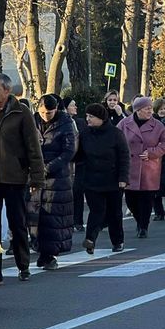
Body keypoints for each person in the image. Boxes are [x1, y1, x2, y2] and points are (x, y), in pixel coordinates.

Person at [0, 73, 46, 286]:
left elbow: (33, 147)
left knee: (17, 222)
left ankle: (23, 265)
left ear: (7, 91)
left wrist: (36, 178)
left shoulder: (21, 112)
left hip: (16, 177)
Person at [27, 95, 76, 270]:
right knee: (34, 215)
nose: (46, 115)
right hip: (33, 175)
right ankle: (39, 248)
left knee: (52, 217)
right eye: (42, 112)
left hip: (57, 176)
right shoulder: (31, 122)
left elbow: (69, 150)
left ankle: (49, 255)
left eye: (50, 112)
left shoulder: (65, 123)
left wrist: (48, 168)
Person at [75, 103, 129, 252]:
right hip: (92, 181)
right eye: (87, 116)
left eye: (91, 116)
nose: (88, 119)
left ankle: (118, 241)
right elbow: (78, 156)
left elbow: (124, 157)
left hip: (113, 181)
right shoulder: (85, 134)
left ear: (101, 118)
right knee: (96, 211)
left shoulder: (115, 134)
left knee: (114, 213)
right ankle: (90, 239)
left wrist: (123, 178)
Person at [118, 96, 165, 238]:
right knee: (131, 200)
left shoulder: (157, 125)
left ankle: (143, 226)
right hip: (130, 167)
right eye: (147, 108)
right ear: (138, 110)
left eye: (150, 108)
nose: (150, 111)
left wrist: (153, 153)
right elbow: (116, 140)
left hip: (149, 167)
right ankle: (139, 220)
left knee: (147, 200)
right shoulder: (124, 124)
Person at [64, 97, 88, 230]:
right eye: (73, 105)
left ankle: (78, 221)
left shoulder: (79, 122)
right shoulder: (62, 122)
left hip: (80, 162)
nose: (76, 107)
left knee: (78, 191)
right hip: (67, 162)